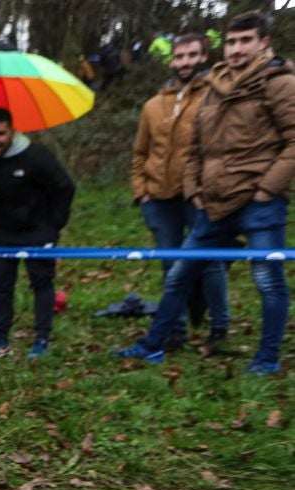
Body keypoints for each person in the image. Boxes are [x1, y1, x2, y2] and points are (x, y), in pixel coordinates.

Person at [118, 11, 295, 375]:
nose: (237, 49)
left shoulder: (280, 83)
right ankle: (153, 345)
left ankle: (266, 358)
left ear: (263, 43)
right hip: (213, 203)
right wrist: (194, 189)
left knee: (267, 280)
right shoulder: (215, 87)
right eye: (231, 41)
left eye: (246, 40)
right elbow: (196, 148)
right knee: (179, 273)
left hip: (260, 201)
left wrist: (267, 189)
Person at [131, 32, 229, 354]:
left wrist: (211, 188)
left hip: (199, 196)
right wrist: (141, 191)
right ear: (171, 60)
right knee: (170, 263)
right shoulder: (153, 105)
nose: (184, 62)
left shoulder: (215, 97)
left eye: (191, 56)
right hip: (158, 198)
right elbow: (140, 152)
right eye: (179, 57)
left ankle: (219, 327)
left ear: (203, 57)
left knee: (210, 263)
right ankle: (175, 331)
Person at [0, 107, 76, 359]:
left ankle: (41, 340)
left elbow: (65, 187)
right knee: (2, 286)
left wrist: (54, 225)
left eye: (0, 134)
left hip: (38, 231)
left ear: (12, 132)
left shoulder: (36, 157)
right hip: (2, 230)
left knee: (41, 283)